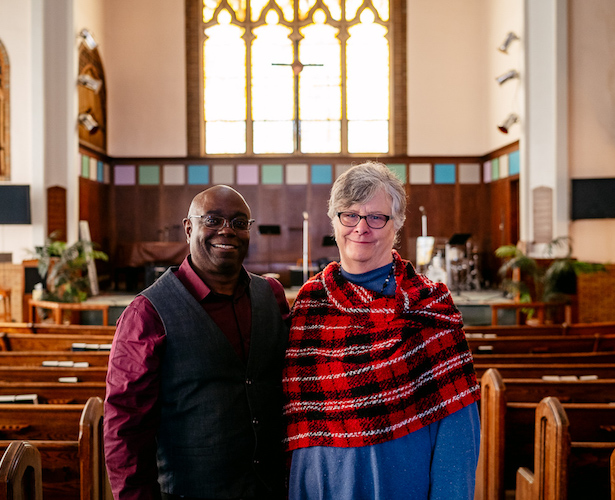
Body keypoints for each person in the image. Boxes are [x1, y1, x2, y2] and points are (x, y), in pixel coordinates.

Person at [282, 162, 481, 499]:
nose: (361, 228)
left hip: (400, 484)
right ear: (335, 221)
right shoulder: (309, 302)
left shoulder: (430, 306)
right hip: (319, 486)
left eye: (376, 217)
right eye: (350, 215)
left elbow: (458, 429)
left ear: (396, 224)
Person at [104, 185, 290, 500]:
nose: (227, 231)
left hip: (273, 489)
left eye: (239, 223)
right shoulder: (148, 313)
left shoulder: (271, 296)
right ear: (189, 227)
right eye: (213, 220)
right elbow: (126, 424)